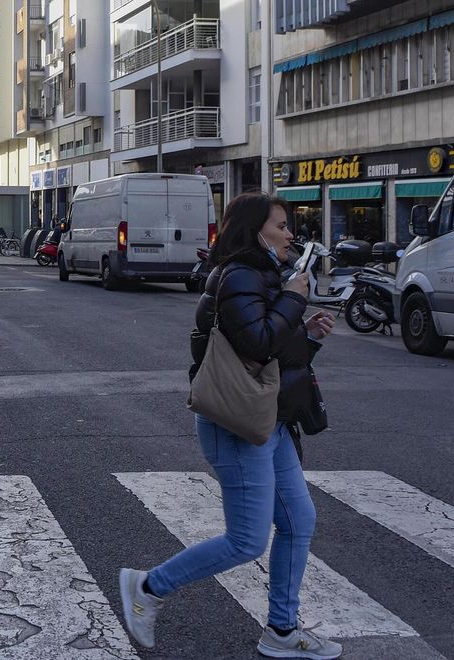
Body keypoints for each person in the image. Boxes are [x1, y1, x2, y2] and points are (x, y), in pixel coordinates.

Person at [119, 192, 338, 659]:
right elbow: (258, 343)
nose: (290, 234)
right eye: (281, 225)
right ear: (256, 230)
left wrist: (310, 338)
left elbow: (272, 358)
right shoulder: (239, 276)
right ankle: (148, 586)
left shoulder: (261, 276)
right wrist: (296, 303)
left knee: (299, 521)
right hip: (239, 424)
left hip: (269, 419)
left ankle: (281, 629)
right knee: (246, 540)